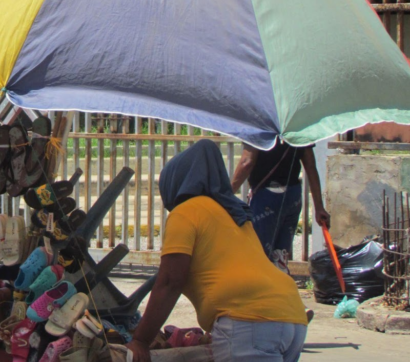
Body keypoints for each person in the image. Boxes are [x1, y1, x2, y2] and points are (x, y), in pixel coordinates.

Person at [126, 140, 308, 362]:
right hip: (292, 314)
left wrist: (140, 340)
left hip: (249, 320)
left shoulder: (185, 213)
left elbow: (169, 281)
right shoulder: (236, 214)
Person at [231, 142, 330, 271]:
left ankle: (263, 288)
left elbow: (247, 162)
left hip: (267, 197)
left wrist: (227, 193)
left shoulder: (261, 123)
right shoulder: (297, 124)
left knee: (260, 253)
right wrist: (319, 207)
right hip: (293, 195)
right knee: (280, 255)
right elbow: (310, 166)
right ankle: (280, 285)